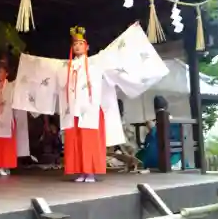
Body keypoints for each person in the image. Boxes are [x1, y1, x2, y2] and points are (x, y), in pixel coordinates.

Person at [12, 23, 170, 183]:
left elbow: (114, 55)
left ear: (87, 47)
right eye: (75, 44)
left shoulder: (96, 62)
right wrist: (28, 61)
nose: (77, 46)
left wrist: (129, 36)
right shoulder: (67, 67)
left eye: (81, 44)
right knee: (77, 141)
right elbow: (47, 68)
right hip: (74, 110)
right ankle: (81, 171)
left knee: (90, 142)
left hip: (91, 111)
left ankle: (91, 172)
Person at [136, 95, 182, 170]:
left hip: (161, 156)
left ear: (154, 109)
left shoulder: (154, 123)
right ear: (167, 106)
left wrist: (152, 129)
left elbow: (150, 141)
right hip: (172, 155)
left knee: (141, 154)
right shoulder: (177, 124)